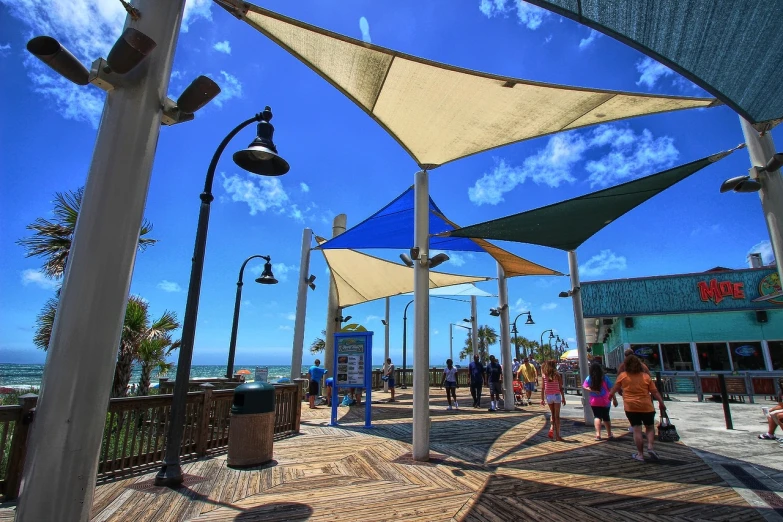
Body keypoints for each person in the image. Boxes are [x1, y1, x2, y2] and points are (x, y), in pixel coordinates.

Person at [609, 354, 666, 462]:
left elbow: (615, 388)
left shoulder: (623, 376)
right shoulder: (646, 377)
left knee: (637, 429)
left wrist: (610, 396)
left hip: (631, 406)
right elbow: (654, 391)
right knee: (649, 427)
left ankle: (640, 454)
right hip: (646, 405)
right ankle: (650, 447)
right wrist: (661, 402)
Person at [583, 362, 617, 440]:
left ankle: (598, 435)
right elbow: (611, 389)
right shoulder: (605, 378)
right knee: (606, 417)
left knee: (597, 416)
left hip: (594, 401)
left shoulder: (589, 378)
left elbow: (585, 386)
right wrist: (614, 399)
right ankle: (609, 434)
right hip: (605, 400)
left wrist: (592, 390)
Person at [541, 360, 565, 441]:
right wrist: (563, 398)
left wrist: (542, 399)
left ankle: (551, 428)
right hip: (557, 396)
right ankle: (558, 435)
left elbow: (542, 388)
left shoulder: (544, 375)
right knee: (557, 416)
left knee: (552, 414)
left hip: (549, 396)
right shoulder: (557, 375)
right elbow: (561, 387)